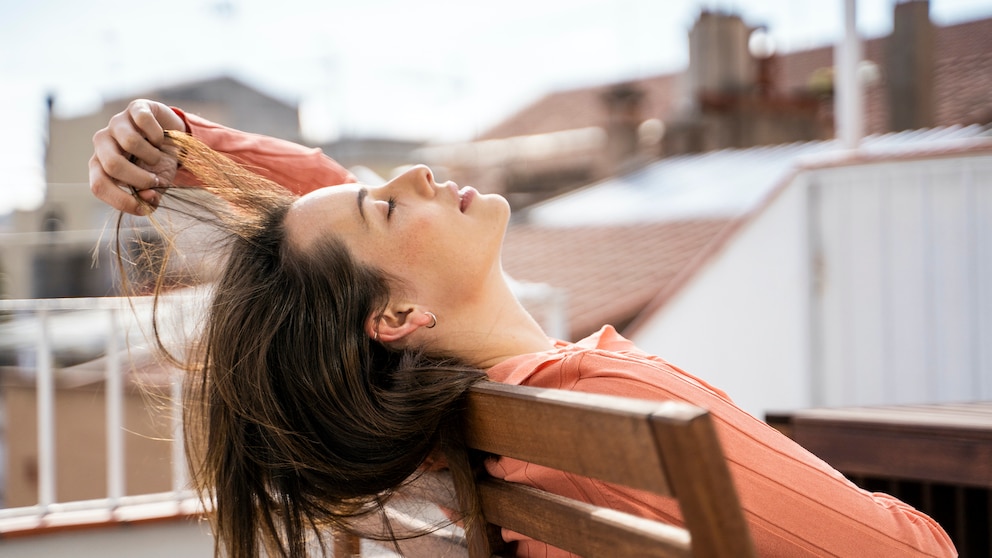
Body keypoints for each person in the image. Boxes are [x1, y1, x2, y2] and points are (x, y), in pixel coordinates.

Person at [89, 99, 957, 558]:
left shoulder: (463, 425)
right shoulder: (613, 401)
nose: (421, 174)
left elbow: (331, 230)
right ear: (396, 318)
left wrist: (179, 142)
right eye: (390, 202)